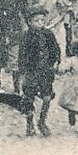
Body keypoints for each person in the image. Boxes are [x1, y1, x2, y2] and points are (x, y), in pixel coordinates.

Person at [20, 7, 62, 137]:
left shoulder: (48, 34)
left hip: (46, 71)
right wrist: (23, 72)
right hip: (31, 71)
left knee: (47, 97)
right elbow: (22, 55)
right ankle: (29, 123)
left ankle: (42, 121)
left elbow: (56, 50)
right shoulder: (26, 36)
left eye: (42, 20)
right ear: (29, 22)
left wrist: (56, 62)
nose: (40, 23)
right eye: (36, 20)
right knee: (29, 98)